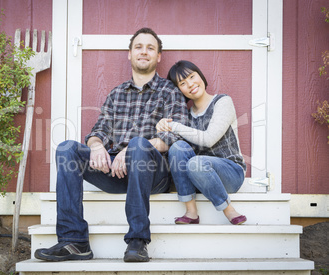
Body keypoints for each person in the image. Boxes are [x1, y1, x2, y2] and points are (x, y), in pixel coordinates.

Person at [34, 28, 188, 263]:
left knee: (138, 145)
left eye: (150, 48)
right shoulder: (117, 94)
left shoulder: (170, 92)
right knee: (67, 149)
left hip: (153, 174)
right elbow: (99, 132)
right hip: (116, 171)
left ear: (158, 57)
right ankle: (74, 241)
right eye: (138, 47)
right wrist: (96, 147)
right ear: (129, 54)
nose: (143, 52)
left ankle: (138, 240)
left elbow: (174, 137)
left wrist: (132, 148)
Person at [156, 60, 247, 226]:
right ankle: (191, 212)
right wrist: (161, 125)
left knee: (196, 162)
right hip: (198, 176)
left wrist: (174, 126)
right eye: (183, 83)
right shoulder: (186, 116)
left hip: (231, 173)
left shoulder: (222, 102)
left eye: (192, 76)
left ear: (200, 75)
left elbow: (209, 139)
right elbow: (176, 147)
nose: (190, 84)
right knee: (178, 148)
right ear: (179, 90)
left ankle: (228, 210)